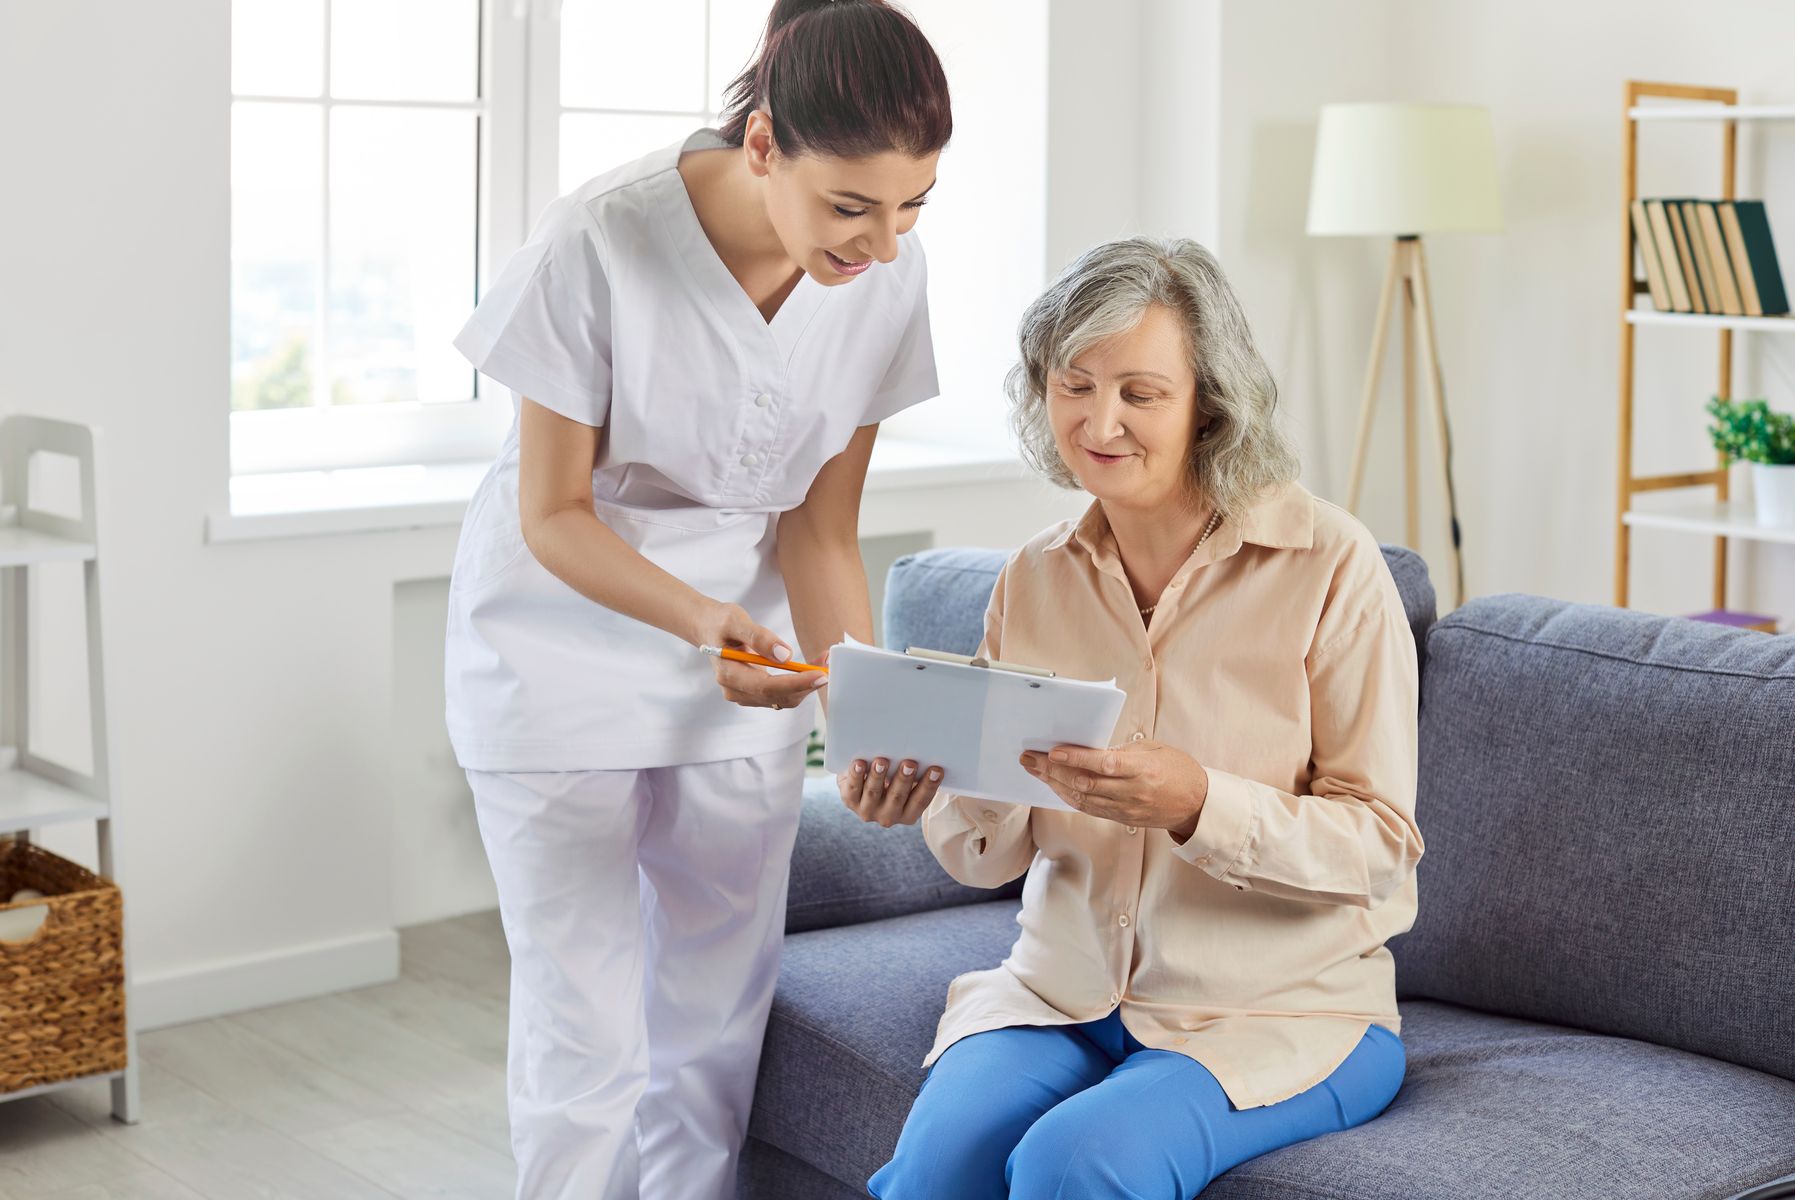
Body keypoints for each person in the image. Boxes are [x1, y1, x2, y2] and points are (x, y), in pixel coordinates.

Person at [444, 3, 951, 1196]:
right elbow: (553, 513)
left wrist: (867, 716)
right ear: (766, 145)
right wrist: (697, 622)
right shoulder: (601, 239)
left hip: (749, 667)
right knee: (588, 1043)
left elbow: (820, 529)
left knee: (713, 1030)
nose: (882, 244)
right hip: (557, 644)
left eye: (914, 203)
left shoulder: (883, 276)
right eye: (851, 207)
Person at [842, 237, 1424, 1199]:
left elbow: (1380, 848)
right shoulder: (1033, 576)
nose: (1098, 421)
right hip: (1060, 988)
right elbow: (986, 857)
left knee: (1075, 1162)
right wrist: (936, 797)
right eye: (1073, 385)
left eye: (1140, 394)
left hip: (1280, 1011)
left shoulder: (1330, 564)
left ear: (1210, 404)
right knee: (933, 1173)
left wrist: (1199, 802)